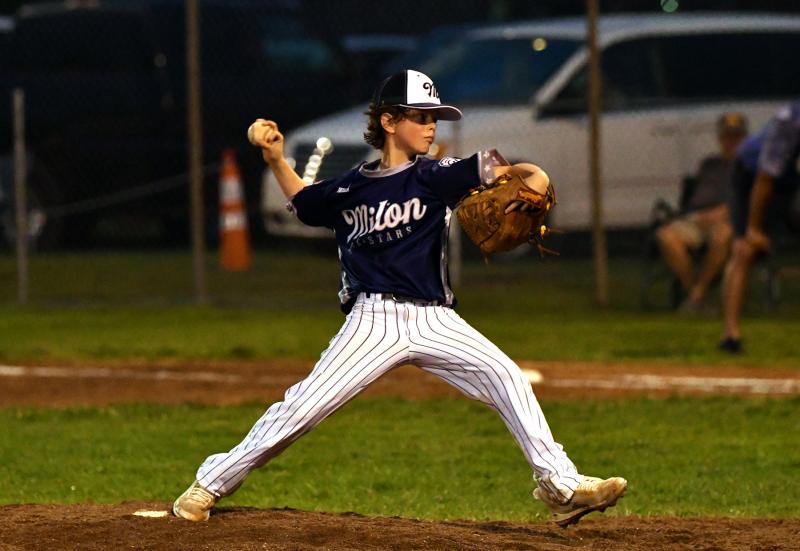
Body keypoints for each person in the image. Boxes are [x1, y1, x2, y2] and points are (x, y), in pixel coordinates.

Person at [172, 70, 627, 526]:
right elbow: (307, 203)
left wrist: (534, 178)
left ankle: (561, 487)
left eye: (435, 117)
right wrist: (274, 158)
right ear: (389, 121)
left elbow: (515, 171)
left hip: (435, 319)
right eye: (421, 117)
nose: (432, 126)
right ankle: (209, 484)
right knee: (303, 408)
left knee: (507, 377)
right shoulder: (351, 187)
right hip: (372, 321)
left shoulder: (437, 175)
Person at [720, 102, 800, 354]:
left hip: (786, 183)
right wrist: (753, 227)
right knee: (744, 250)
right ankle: (731, 335)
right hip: (749, 178)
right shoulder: (789, 122)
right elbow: (764, 180)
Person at [656, 113, 748, 312]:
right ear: (720, 138)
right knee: (666, 236)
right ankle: (695, 294)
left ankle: (698, 294)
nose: (731, 141)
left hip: (726, 219)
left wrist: (723, 212)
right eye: (727, 137)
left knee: (722, 236)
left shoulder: (749, 168)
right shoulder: (709, 164)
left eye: (736, 137)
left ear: (744, 138)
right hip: (696, 218)